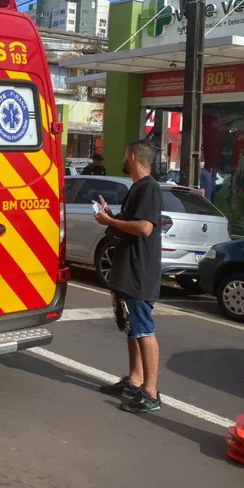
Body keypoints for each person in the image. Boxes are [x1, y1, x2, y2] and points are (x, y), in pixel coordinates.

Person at [92, 141, 163, 414]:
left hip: (139, 272)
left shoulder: (149, 188)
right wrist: (111, 215)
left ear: (132, 156)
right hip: (128, 270)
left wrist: (110, 222)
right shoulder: (138, 188)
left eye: (124, 154)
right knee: (133, 326)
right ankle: (135, 381)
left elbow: (144, 228)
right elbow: (132, 224)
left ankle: (151, 392)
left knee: (144, 328)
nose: (123, 158)